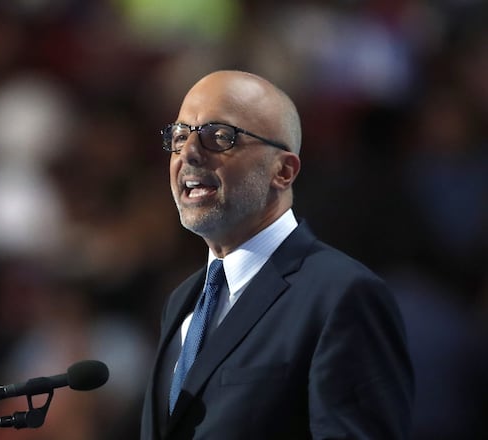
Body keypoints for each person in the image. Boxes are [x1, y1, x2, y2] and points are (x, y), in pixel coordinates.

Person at [140, 70, 414, 439]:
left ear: (283, 171)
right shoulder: (181, 302)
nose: (188, 152)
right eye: (179, 136)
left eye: (219, 137)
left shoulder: (342, 296)